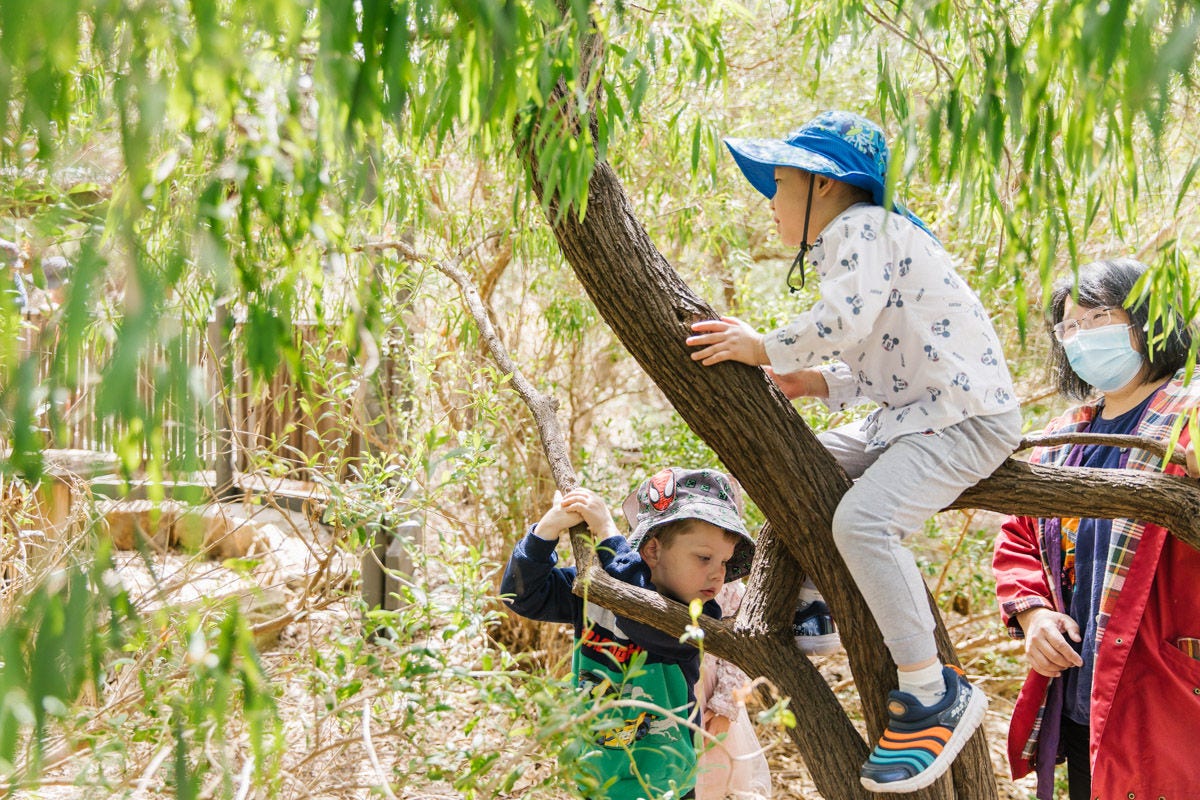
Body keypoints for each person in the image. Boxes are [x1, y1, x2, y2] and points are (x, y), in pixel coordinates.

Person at [685, 110, 1022, 793]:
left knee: (864, 521)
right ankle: (816, 602)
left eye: (780, 184)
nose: (771, 202)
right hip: (913, 413)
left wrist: (765, 346)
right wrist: (819, 380)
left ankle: (931, 691)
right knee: (806, 468)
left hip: (963, 419)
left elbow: (846, 323)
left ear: (826, 186)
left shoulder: (860, 228)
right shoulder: (872, 237)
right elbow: (889, 350)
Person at [992, 257, 1200, 800]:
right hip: (1086, 693)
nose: (1081, 337)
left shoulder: (1190, 417)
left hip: (1170, 693)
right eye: (1069, 326)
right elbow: (1019, 536)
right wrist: (1034, 614)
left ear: (1149, 318)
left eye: (1098, 317)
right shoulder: (1063, 437)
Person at [501, 467, 756, 800]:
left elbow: (645, 618)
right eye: (704, 557)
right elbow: (521, 595)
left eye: (724, 561)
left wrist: (607, 533)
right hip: (598, 773)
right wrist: (547, 530)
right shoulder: (598, 589)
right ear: (651, 551)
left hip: (667, 782)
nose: (718, 574)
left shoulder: (699, 617)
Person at [695, 581, 773, 800]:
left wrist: (723, 708)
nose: (717, 569)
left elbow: (739, 652)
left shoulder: (731, 590)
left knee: (713, 773)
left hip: (710, 697)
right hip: (670, 686)